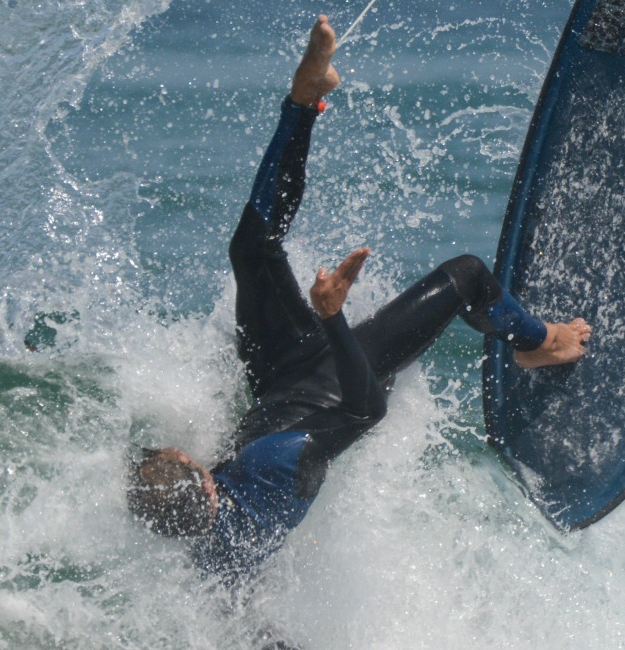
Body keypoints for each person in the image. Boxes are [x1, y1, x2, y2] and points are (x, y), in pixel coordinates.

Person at [128, 15, 591, 583]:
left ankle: (304, 100)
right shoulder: (280, 462)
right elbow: (365, 411)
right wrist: (332, 317)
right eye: (178, 456)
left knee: (251, 249)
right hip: (339, 384)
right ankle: (541, 343)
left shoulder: (217, 558)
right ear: (203, 482)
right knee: (469, 275)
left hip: (275, 378)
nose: (178, 450)